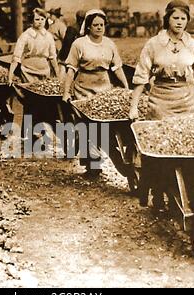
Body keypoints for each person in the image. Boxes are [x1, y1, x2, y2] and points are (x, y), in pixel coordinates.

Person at [129, 0, 194, 207]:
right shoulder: (153, 44)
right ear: (167, 19)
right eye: (175, 18)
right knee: (160, 151)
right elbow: (141, 77)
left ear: (188, 21)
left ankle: (184, 193)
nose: (179, 22)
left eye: (183, 18)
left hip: (185, 102)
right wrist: (133, 106)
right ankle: (157, 192)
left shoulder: (193, 45)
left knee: (185, 149)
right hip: (160, 102)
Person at [62, 9, 129, 175]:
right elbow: (70, 70)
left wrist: (126, 87)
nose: (99, 28)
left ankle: (111, 155)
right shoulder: (79, 44)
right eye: (95, 25)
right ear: (89, 27)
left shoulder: (109, 44)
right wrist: (66, 91)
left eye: (102, 25)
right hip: (84, 87)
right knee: (88, 126)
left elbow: (117, 67)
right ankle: (92, 164)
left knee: (105, 126)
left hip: (104, 87)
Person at [8, 8, 59, 84]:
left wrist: (57, 75)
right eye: (37, 19)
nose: (40, 22)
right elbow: (16, 57)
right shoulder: (26, 35)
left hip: (44, 71)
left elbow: (53, 57)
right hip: (28, 71)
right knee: (30, 91)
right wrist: (10, 76)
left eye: (42, 19)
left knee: (43, 90)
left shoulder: (48, 36)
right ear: (32, 21)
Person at [57, 10, 86, 80]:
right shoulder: (72, 28)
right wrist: (63, 58)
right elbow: (67, 44)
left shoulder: (82, 29)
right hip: (70, 55)